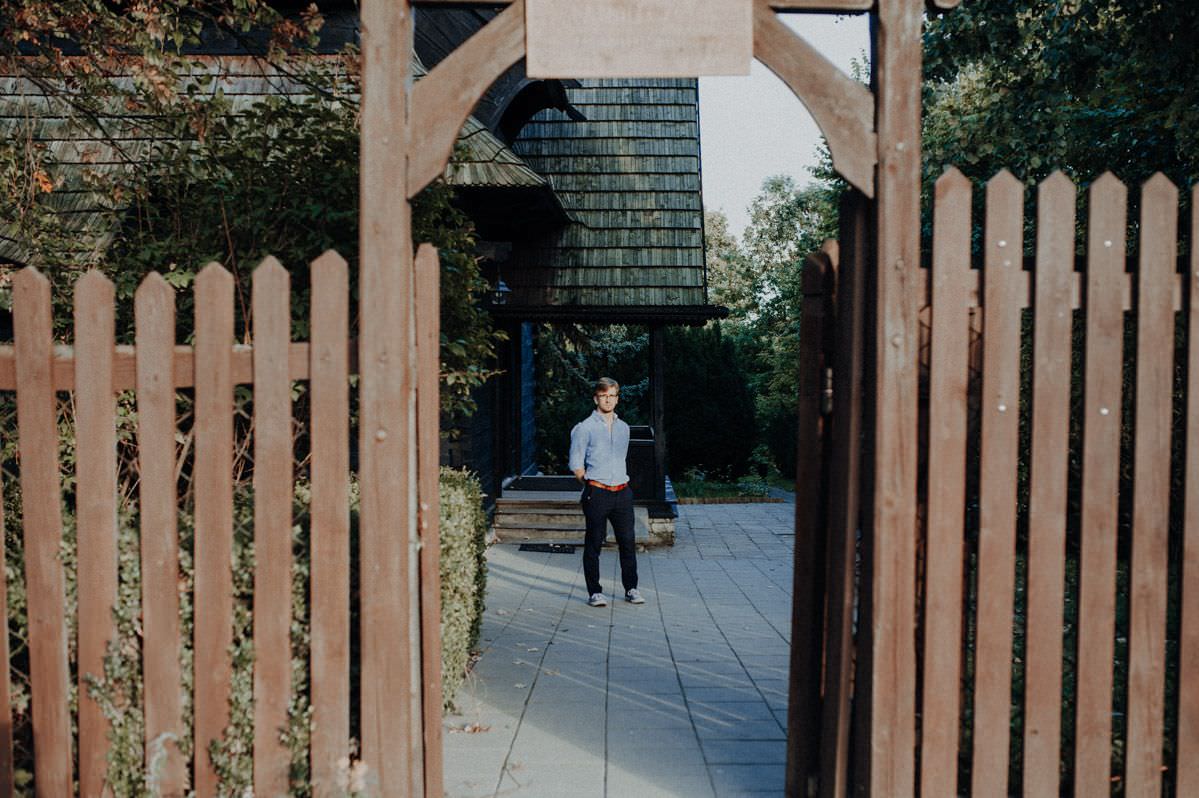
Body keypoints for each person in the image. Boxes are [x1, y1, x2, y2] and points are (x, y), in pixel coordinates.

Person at [569, 377, 644, 607]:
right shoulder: (584, 428)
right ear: (596, 398)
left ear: (617, 398)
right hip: (597, 493)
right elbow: (576, 464)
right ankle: (595, 592)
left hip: (622, 493)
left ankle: (631, 588)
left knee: (628, 542)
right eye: (603, 396)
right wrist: (591, 485)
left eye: (612, 395)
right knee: (594, 543)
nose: (608, 399)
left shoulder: (624, 428)